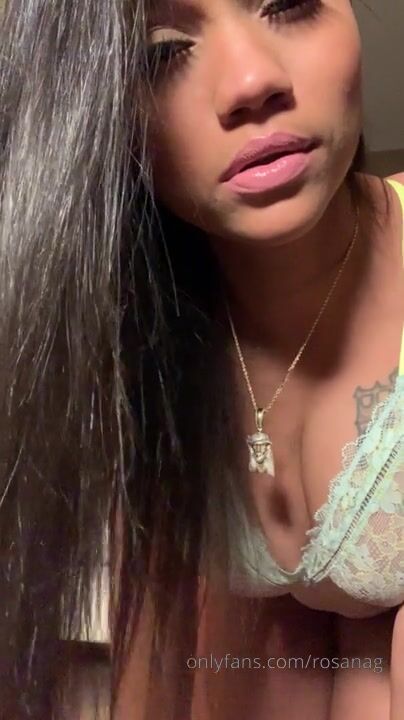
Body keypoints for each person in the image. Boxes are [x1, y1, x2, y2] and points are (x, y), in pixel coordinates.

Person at [0, 0, 403, 718]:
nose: (252, 80)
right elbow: (162, 657)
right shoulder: (132, 338)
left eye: (287, 3)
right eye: (161, 53)